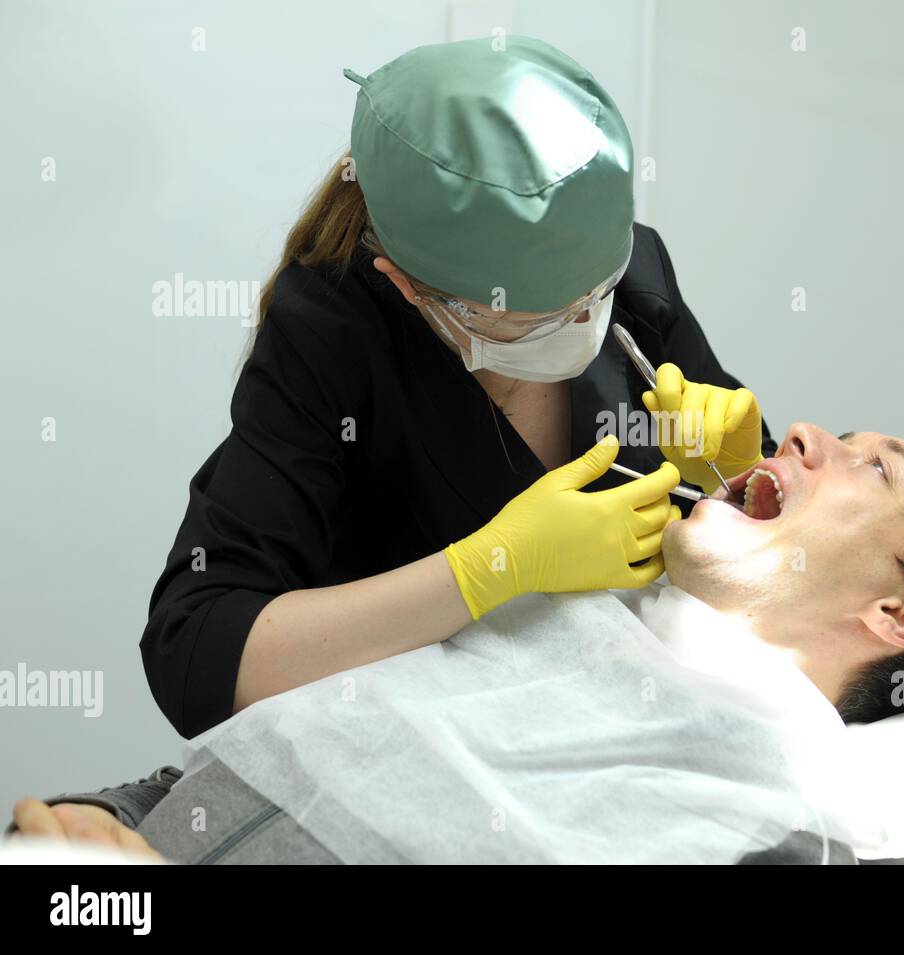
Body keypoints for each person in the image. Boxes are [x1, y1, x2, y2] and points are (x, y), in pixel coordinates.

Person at [140, 36, 775, 740]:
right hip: (399, 759)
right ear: (408, 287)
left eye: (595, 293)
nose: (588, 323)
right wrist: (483, 571)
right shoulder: (333, 337)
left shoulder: (628, 273)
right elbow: (195, 649)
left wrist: (741, 471)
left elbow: (779, 545)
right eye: (539, 318)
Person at [9, 424, 904, 864]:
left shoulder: (767, 829)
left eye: (872, 471)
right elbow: (226, 769)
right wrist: (86, 820)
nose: (803, 432)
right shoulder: (552, 612)